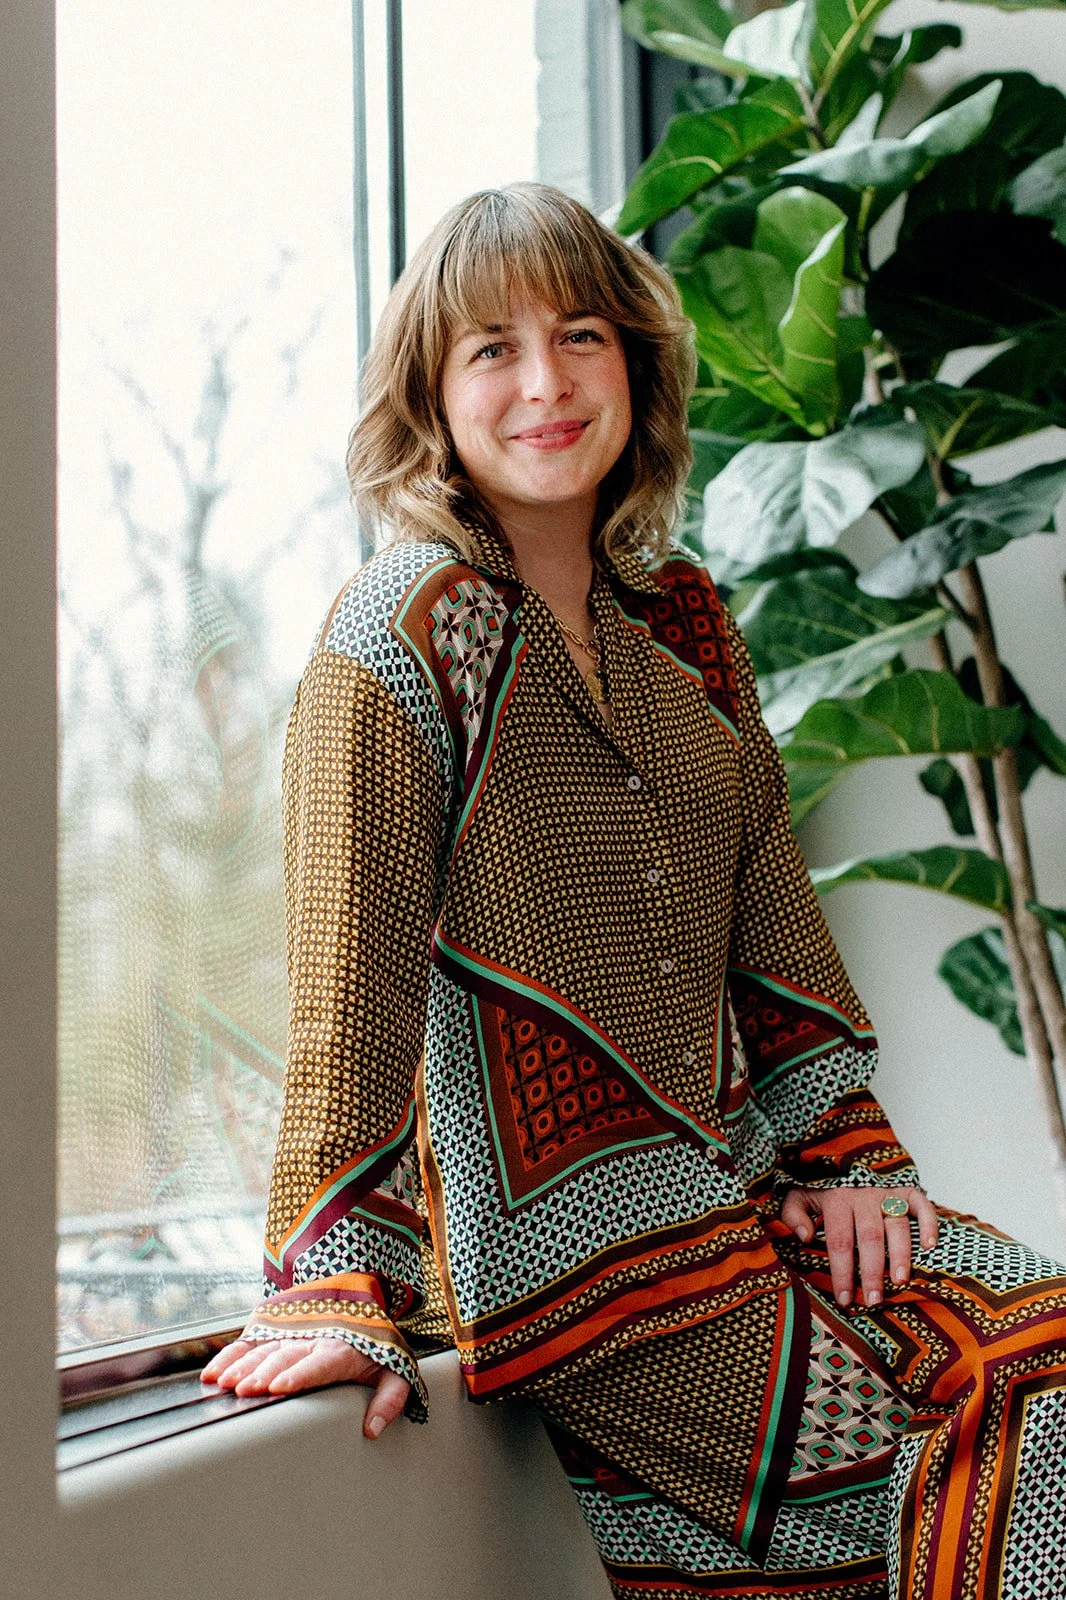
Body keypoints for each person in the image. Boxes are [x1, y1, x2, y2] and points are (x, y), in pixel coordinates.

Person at [201, 182, 1066, 1599]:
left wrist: (843, 1153)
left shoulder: (682, 623)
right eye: (489, 348)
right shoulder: (405, 626)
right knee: (973, 1447)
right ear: (429, 392)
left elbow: (774, 924)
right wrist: (334, 1278)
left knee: (1038, 1365)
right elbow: (346, 986)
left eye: (580, 335)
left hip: (753, 1197)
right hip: (581, 1263)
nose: (544, 383)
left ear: (636, 364)